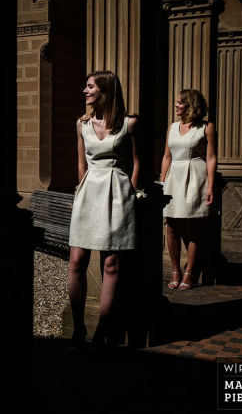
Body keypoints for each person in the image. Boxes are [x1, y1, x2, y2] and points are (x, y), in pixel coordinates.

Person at [67, 70, 140, 350]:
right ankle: (78, 328)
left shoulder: (129, 123)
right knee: (76, 262)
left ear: (105, 91)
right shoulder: (81, 124)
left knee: (111, 263)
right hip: (88, 193)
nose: (85, 91)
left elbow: (136, 162)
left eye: (90, 87)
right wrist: (79, 192)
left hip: (117, 193)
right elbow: (81, 165)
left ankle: (103, 328)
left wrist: (130, 194)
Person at [160, 89, 217, 290]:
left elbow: (211, 158)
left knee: (196, 228)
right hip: (174, 177)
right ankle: (176, 270)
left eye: (180, 103)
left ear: (191, 105)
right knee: (171, 226)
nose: (176, 106)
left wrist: (210, 186)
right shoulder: (172, 127)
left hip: (196, 176)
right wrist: (162, 182)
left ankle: (190, 271)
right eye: (176, 102)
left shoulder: (207, 127)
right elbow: (167, 156)